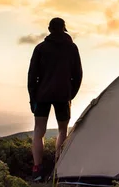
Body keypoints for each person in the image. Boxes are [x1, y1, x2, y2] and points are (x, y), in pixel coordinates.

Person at [27, 17, 83, 182]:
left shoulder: (40, 48)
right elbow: (78, 75)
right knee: (62, 130)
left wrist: (32, 98)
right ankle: (59, 168)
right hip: (63, 95)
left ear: (49, 29)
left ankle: (37, 169)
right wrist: (70, 94)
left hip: (42, 95)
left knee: (39, 131)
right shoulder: (72, 48)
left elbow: (32, 76)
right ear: (64, 29)